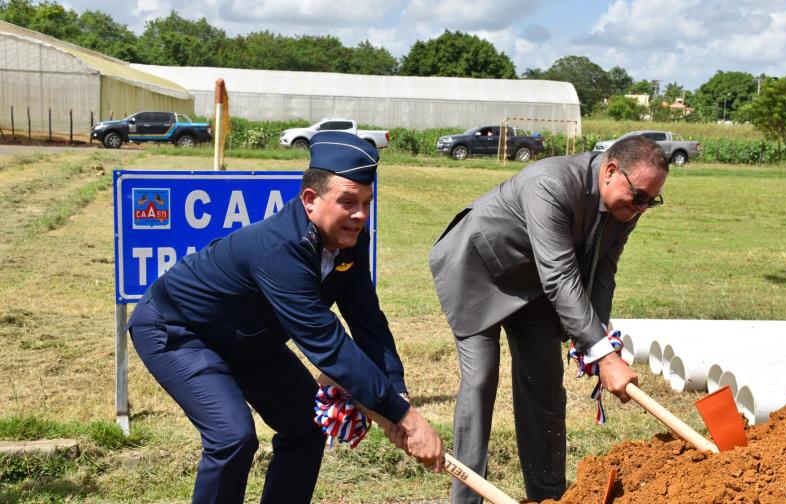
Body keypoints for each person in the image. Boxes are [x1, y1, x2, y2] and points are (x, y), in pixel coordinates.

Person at [128, 131, 443, 504]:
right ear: (310, 200)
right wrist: (406, 418)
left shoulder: (352, 241)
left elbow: (367, 319)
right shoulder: (280, 251)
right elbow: (327, 344)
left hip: (248, 337)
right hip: (179, 330)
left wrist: (395, 392)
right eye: (348, 202)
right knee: (232, 436)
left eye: (366, 202)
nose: (359, 215)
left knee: (306, 426)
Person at [429, 135, 668, 503]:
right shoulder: (551, 183)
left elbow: (602, 272)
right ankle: (467, 499)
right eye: (638, 197)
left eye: (651, 201)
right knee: (480, 382)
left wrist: (595, 340)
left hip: (533, 285)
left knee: (545, 383)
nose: (641, 208)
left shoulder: (626, 208)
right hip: (478, 271)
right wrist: (604, 355)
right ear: (610, 171)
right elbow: (559, 275)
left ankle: (549, 497)